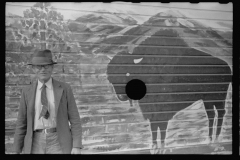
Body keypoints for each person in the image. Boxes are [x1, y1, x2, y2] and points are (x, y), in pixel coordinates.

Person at [12, 49, 83, 154]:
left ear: (52, 67)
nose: (43, 69)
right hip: (35, 141)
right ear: (33, 69)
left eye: (46, 66)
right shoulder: (27, 91)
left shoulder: (65, 88)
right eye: (38, 66)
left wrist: (76, 145)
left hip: (58, 140)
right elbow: (21, 123)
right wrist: (16, 150)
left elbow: (75, 119)